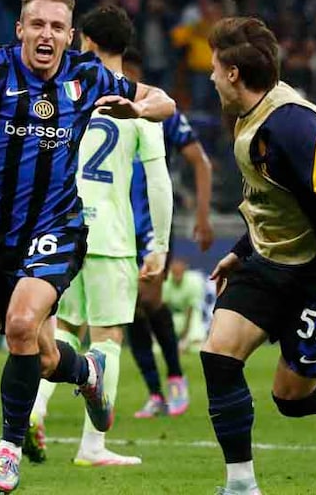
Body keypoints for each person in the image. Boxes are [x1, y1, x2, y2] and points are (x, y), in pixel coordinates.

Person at [0, 0, 174, 493]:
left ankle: (7, 454)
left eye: (56, 27)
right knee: (40, 354)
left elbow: (164, 102)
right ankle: (86, 372)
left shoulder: (87, 75)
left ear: (70, 36)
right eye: (36, 25)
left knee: (22, 325)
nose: (46, 34)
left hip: (59, 226)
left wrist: (140, 111)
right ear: (19, 29)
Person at [203, 17, 316, 495]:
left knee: (292, 397)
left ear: (235, 74)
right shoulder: (249, 116)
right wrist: (243, 250)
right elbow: (275, 198)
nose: (211, 76)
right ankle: (241, 485)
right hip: (272, 260)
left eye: (215, 68)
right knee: (218, 352)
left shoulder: (295, 125)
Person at [25, 5, 173, 467]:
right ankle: (92, 447)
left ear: (85, 40)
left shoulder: (64, 92)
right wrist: (161, 245)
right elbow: (158, 181)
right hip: (110, 235)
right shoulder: (139, 102)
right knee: (107, 338)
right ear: (125, 47)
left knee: (64, 330)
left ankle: (34, 411)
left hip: (64, 229)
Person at [123, 47, 214, 419]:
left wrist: (203, 216)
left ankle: (176, 377)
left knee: (148, 297)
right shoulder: (95, 109)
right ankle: (155, 392)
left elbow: (200, 161)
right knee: (129, 309)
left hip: (151, 224)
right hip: (113, 225)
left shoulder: (161, 110)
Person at [162, 259, 207, 353]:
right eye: (175, 272)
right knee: (158, 346)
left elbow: (190, 309)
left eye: (179, 271)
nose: (177, 275)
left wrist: (184, 337)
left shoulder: (193, 281)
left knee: (197, 345)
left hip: (191, 315)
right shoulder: (166, 281)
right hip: (173, 314)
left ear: (184, 270)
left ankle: (188, 343)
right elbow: (164, 307)